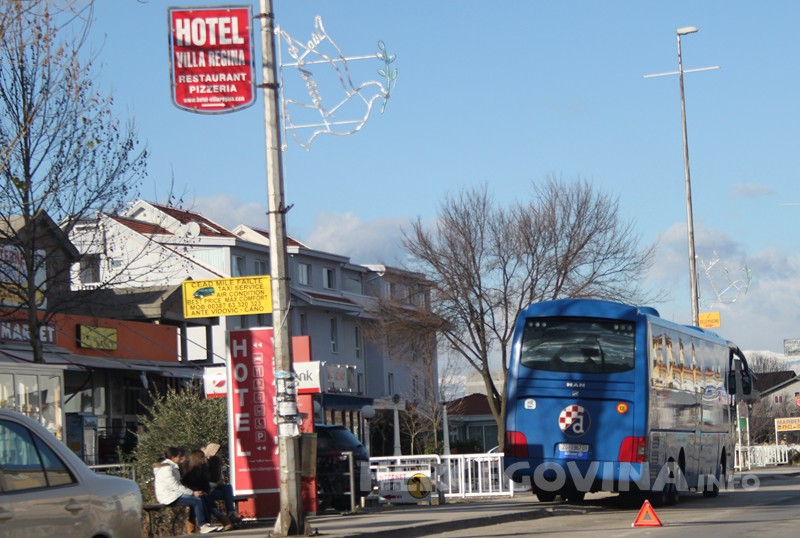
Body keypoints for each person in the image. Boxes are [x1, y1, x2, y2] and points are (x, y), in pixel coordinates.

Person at [153, 447, 221, 534]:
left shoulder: (171, 467)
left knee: (203, 496)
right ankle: (202, 525)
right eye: (179, 457)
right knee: (196, 500)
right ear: (173, 458)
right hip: (169, 496)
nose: (181, 458)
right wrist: (192, 493)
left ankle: (207, 523)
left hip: (174, 494)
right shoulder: (167, 469)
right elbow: (175, 486)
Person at [182, 449, 233, 531]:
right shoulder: (188, 469)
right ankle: (219, 522)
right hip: (191, 491)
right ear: (196, 458)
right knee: (203, 500)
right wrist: (195, 491)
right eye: (202, 457)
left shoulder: (204, 467)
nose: (204, 459)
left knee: (205, 498)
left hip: (204, 491)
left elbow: (206, 483)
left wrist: (205, 491)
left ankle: (205, 524)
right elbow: (187, 483)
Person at [203, 442, 242, 525]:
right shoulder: (206, 464)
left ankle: (231, 513)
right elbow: (204, 483)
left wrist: (219, 483)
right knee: (226, 492)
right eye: (219, 452)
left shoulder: (216, 463)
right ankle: (230, 515)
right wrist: (217, 484)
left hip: (215, 489)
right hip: (208, 491)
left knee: (228, 488)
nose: (221, 454)